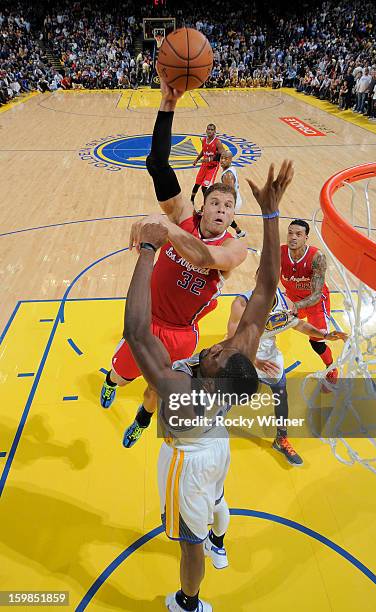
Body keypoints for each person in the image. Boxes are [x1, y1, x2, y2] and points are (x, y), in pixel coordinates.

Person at [122, 157, 294, 612]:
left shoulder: (182, 393)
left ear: (212, 377)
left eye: (214, 356)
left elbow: (137, 333)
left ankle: (189, 600)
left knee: (188, 541)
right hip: (217, 449)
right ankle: (222, 538)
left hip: (190, 459)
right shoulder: (241, 357)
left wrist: (147, 251)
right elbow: (265, 287)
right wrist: (272, 213)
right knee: (217, 499)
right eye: (221, 350)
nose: (215, 349)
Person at [100, 81, 248, 448]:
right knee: (120, 376)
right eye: (215, 203)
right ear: (203, 206)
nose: (221, 210)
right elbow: (158, 164)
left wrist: (163, 228)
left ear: (232, 218)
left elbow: (202, 257)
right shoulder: (183, 215)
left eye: (228, 208)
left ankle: (141, 419)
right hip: (148, 321)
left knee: (159, 390)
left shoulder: (235, 248)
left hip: (182, 332)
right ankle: (111, 382)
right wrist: (168, 103)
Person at [227, 281, 347, 465]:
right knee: (232, 393)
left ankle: (281, 439)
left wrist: (323, 335)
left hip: (268, 353)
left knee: (281, 392)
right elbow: (234, 340)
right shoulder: (242, 304)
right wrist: (253, 361)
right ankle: (210, 419)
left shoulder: (286, 304)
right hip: (242, 352)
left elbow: (298, 325)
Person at [280, 219, 338, 386]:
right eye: (290, 233)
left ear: (306, 237)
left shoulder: (316, 257)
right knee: (265, 323)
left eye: (298, 234)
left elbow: (317, 294)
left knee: (317, 343)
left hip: (315, 303)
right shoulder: (281, 252)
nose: (293, 237)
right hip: (292, 297)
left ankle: (331, 368)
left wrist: (295, 306)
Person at [190, 124, 224, 205]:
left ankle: (207, 204)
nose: (209, 131)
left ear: (215, 132)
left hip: (213, 167)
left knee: (204, 187)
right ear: (206, 130)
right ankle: (191, 201)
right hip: (204, 165)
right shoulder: (203, 140)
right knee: (197, 184)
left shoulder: (217, 142)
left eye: (212, 130)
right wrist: (197, 159)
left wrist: (209, 159)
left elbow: (222, 154)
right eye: (208, 129)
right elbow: (203, 151)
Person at [220, 151, 246, 238]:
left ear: (231, 160)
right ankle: (239, 232)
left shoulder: (228, 175)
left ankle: (222, 239)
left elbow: (230, 193)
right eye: (221, 158)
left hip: (233, 201)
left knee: (222, 219)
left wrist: (224, 204)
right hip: (236, 199)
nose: (222, 160)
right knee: (228, 218)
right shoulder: (232, 168)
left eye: (225, 159)